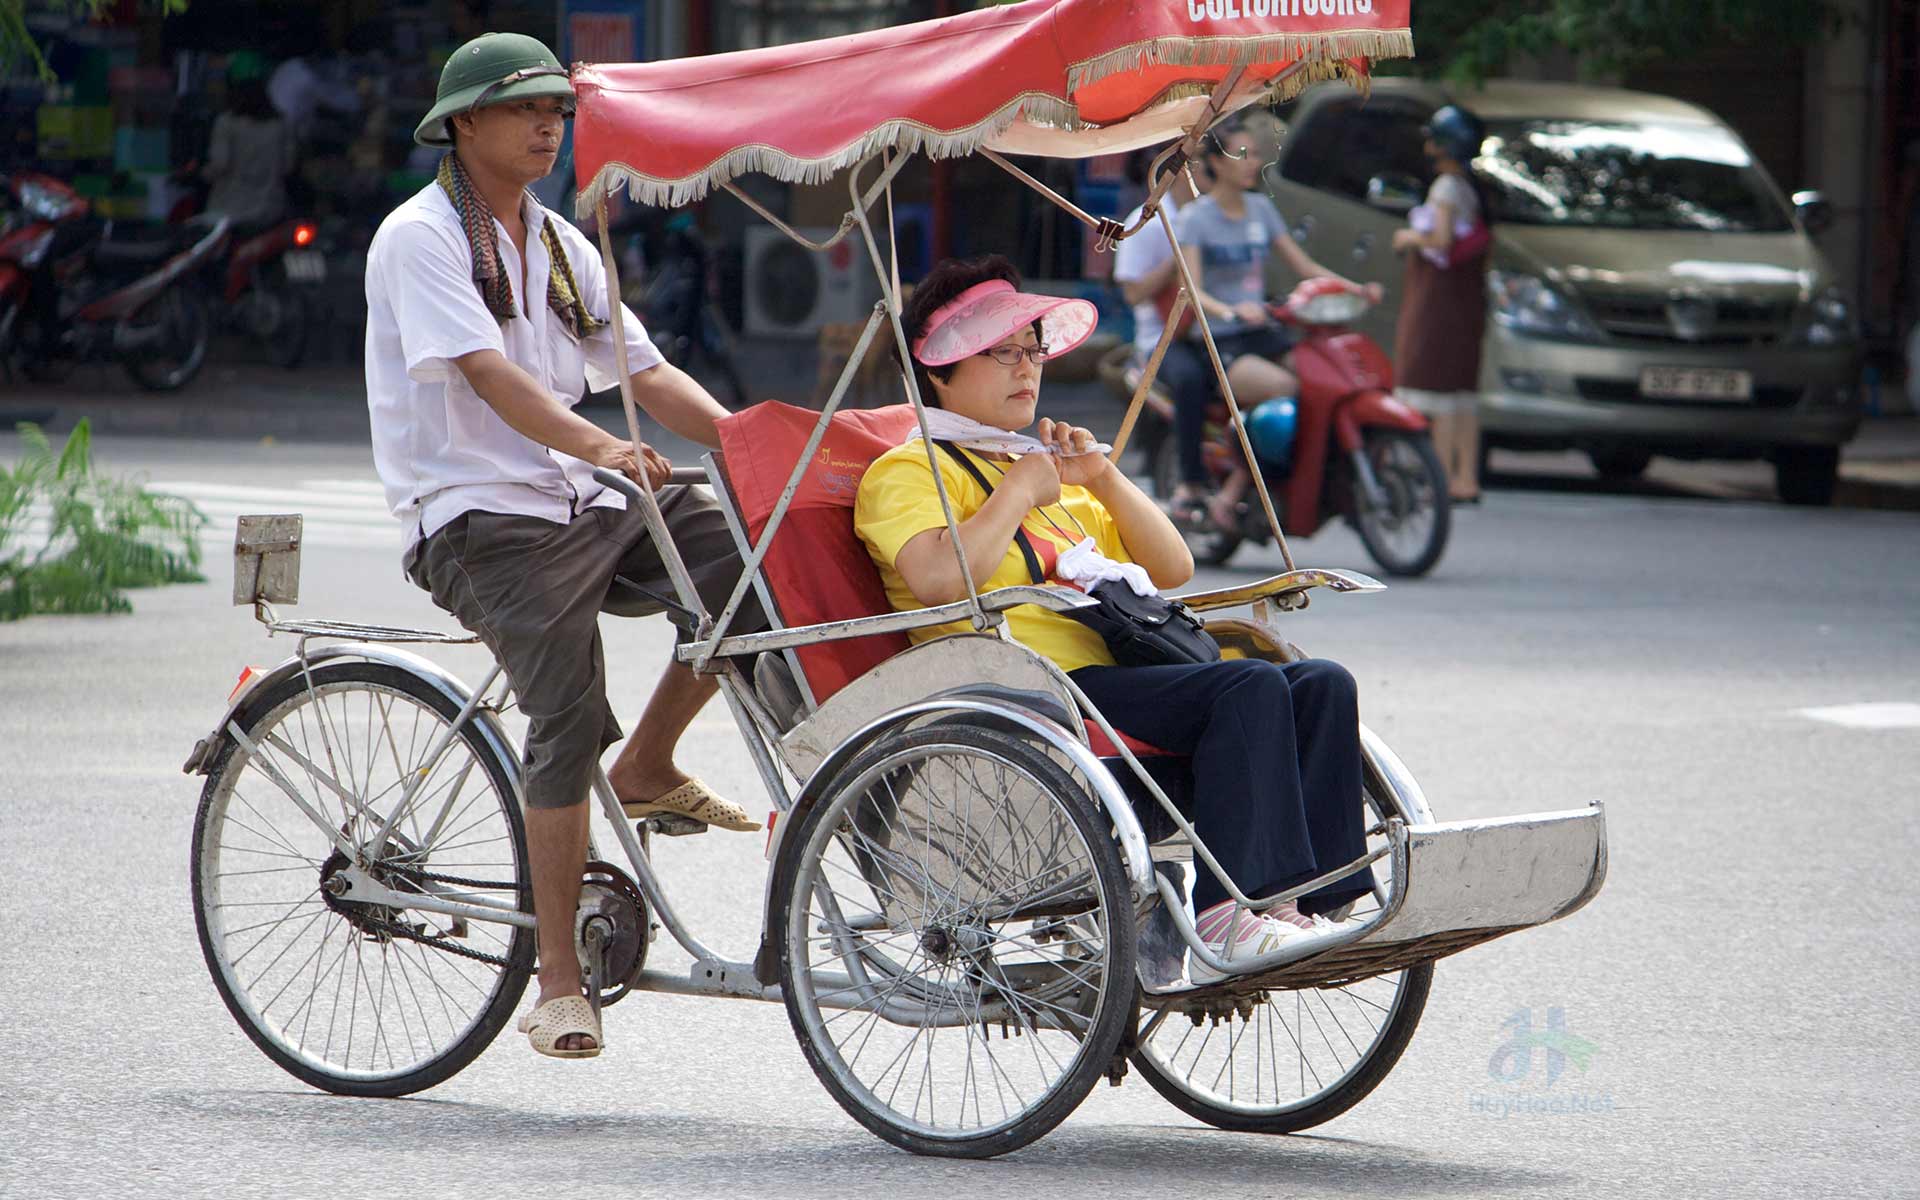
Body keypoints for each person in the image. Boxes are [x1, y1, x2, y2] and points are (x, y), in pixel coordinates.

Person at [364, 32, 767, 1060]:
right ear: (463, 124)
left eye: (558, 109)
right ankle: (557, 980)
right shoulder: (422, 237)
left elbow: (646, 371)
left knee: (744, 571)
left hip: (580, 492)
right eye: (523, 109)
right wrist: (598, 441)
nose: (549, 125)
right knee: (566, 710)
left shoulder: (556, 245)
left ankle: (651, 762)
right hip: (474, 513)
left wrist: (763, 450)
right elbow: (488, 374)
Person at [853, 255, 1374, 982]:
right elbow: (940, 579)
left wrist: (1100, 477)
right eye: (1002, 352)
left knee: (1318, 683)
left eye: (1033, 349)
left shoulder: (1039, 465)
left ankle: (1310, 903)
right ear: (939, 370)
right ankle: (1229, 913)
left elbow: (1171, 569)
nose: (1026, 369)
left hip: (1111, 673)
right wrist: (1014, 493)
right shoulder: (907, 472)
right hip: (1019, 685)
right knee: (1248, 688)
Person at [1173, 120, 1382, 532]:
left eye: (1255, 154)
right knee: (1290, 389)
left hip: (1265, 331)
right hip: (1221, 339)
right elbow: (1192, 290)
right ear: (1216, 162)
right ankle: (1233, 487)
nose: (1253, 163)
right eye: (1242, 154)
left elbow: (1304, 267)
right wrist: (1233, 312)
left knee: (1323, 381)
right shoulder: (1197, 218)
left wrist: (1356, 290)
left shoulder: (1262, 209)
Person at [1391, 105, 1492, 503]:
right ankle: (1465, 475)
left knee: (1437, 387)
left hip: (1439, 299)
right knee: (1461, 391)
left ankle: (1446, 476)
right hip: (1465, 300)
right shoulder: (1470, 187)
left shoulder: (1446, 188)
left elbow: (1440, 241)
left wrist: (1406, 238)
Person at [1111, 148, 1211, 488]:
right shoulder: (1148, 221)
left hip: (1215, 328)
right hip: (1164, 339)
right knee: (1190, 380)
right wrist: (1179, 256)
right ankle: (1190, 482)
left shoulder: (1209, 216)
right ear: (1183, 172)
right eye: (1202, 163)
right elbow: (1133, 294)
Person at [197, 53, 296, 230]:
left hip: (229, 213)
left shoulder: (226, 123)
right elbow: (288, 166)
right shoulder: (281, 123)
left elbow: (220, 165)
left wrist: (201, 173)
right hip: (271, 211)